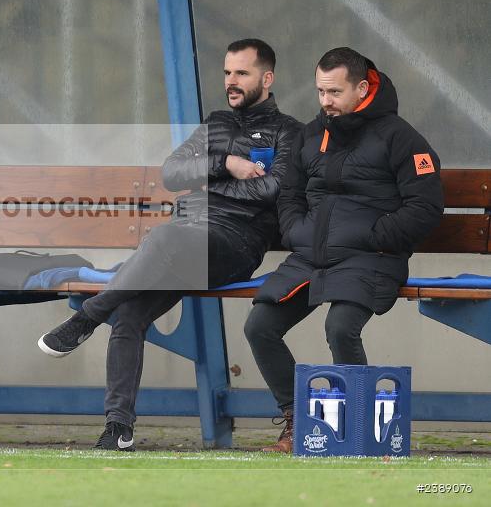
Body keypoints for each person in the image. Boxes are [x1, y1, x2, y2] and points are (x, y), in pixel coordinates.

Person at [38, 39, 302, 450]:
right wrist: (225, 164)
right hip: (182, 242)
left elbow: (273, 189)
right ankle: (118, 426)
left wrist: (212, 184)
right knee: (129, 312)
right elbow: (173, 173)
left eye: (242, 73)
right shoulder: (215, 123)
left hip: (233, 245)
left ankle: (87, 316)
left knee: (164, 234)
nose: (231, 81)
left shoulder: (288, 131)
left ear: (266, 78)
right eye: (227, 72)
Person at [245, 47, 444, 453]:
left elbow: (425, 207)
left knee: (339, 328)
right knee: (260, 326)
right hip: (310, 255)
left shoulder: (402, 138)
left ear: (363, 88)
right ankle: (297, 422)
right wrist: (297, 231)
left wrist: (376, 236)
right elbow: (289, 194)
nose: (325, 102)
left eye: (334, 92)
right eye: (320, 92)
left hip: (371, 258)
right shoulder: (312, 134)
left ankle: (357, 431)